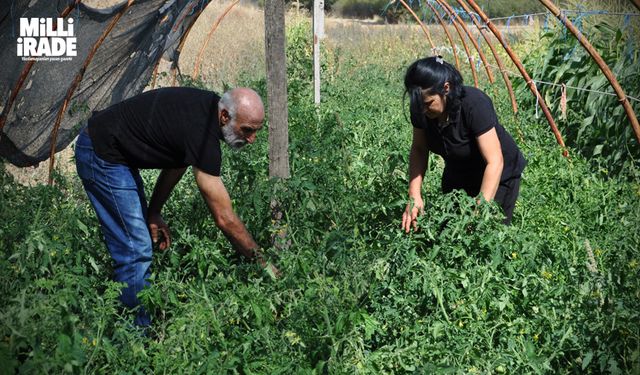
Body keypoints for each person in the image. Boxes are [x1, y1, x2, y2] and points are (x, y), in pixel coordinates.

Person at [75, 86, 275, 326]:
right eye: (247, 130)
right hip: (102, 153)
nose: (252, 139)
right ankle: (133, 341)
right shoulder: (202, 131)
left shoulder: (204, 113)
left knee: (137, 243)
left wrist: (155, 211)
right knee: (135, 248)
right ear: (225, 116)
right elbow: (225, 218)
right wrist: (265, 266)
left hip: (117, 153)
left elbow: (177, 160)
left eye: (256, 131)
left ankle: (137, 323)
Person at [401, 56, 526, 231]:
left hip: (498, 173)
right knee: (449, 230)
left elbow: (495, 161)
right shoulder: (421, 108)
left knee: (486, 234)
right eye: (418, 105)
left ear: (446, 88)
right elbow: (419, 149)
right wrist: (414, 196)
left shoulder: (473, 104)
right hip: (459, 170)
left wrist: (480, 209)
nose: (422, 110)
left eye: (428, 103)